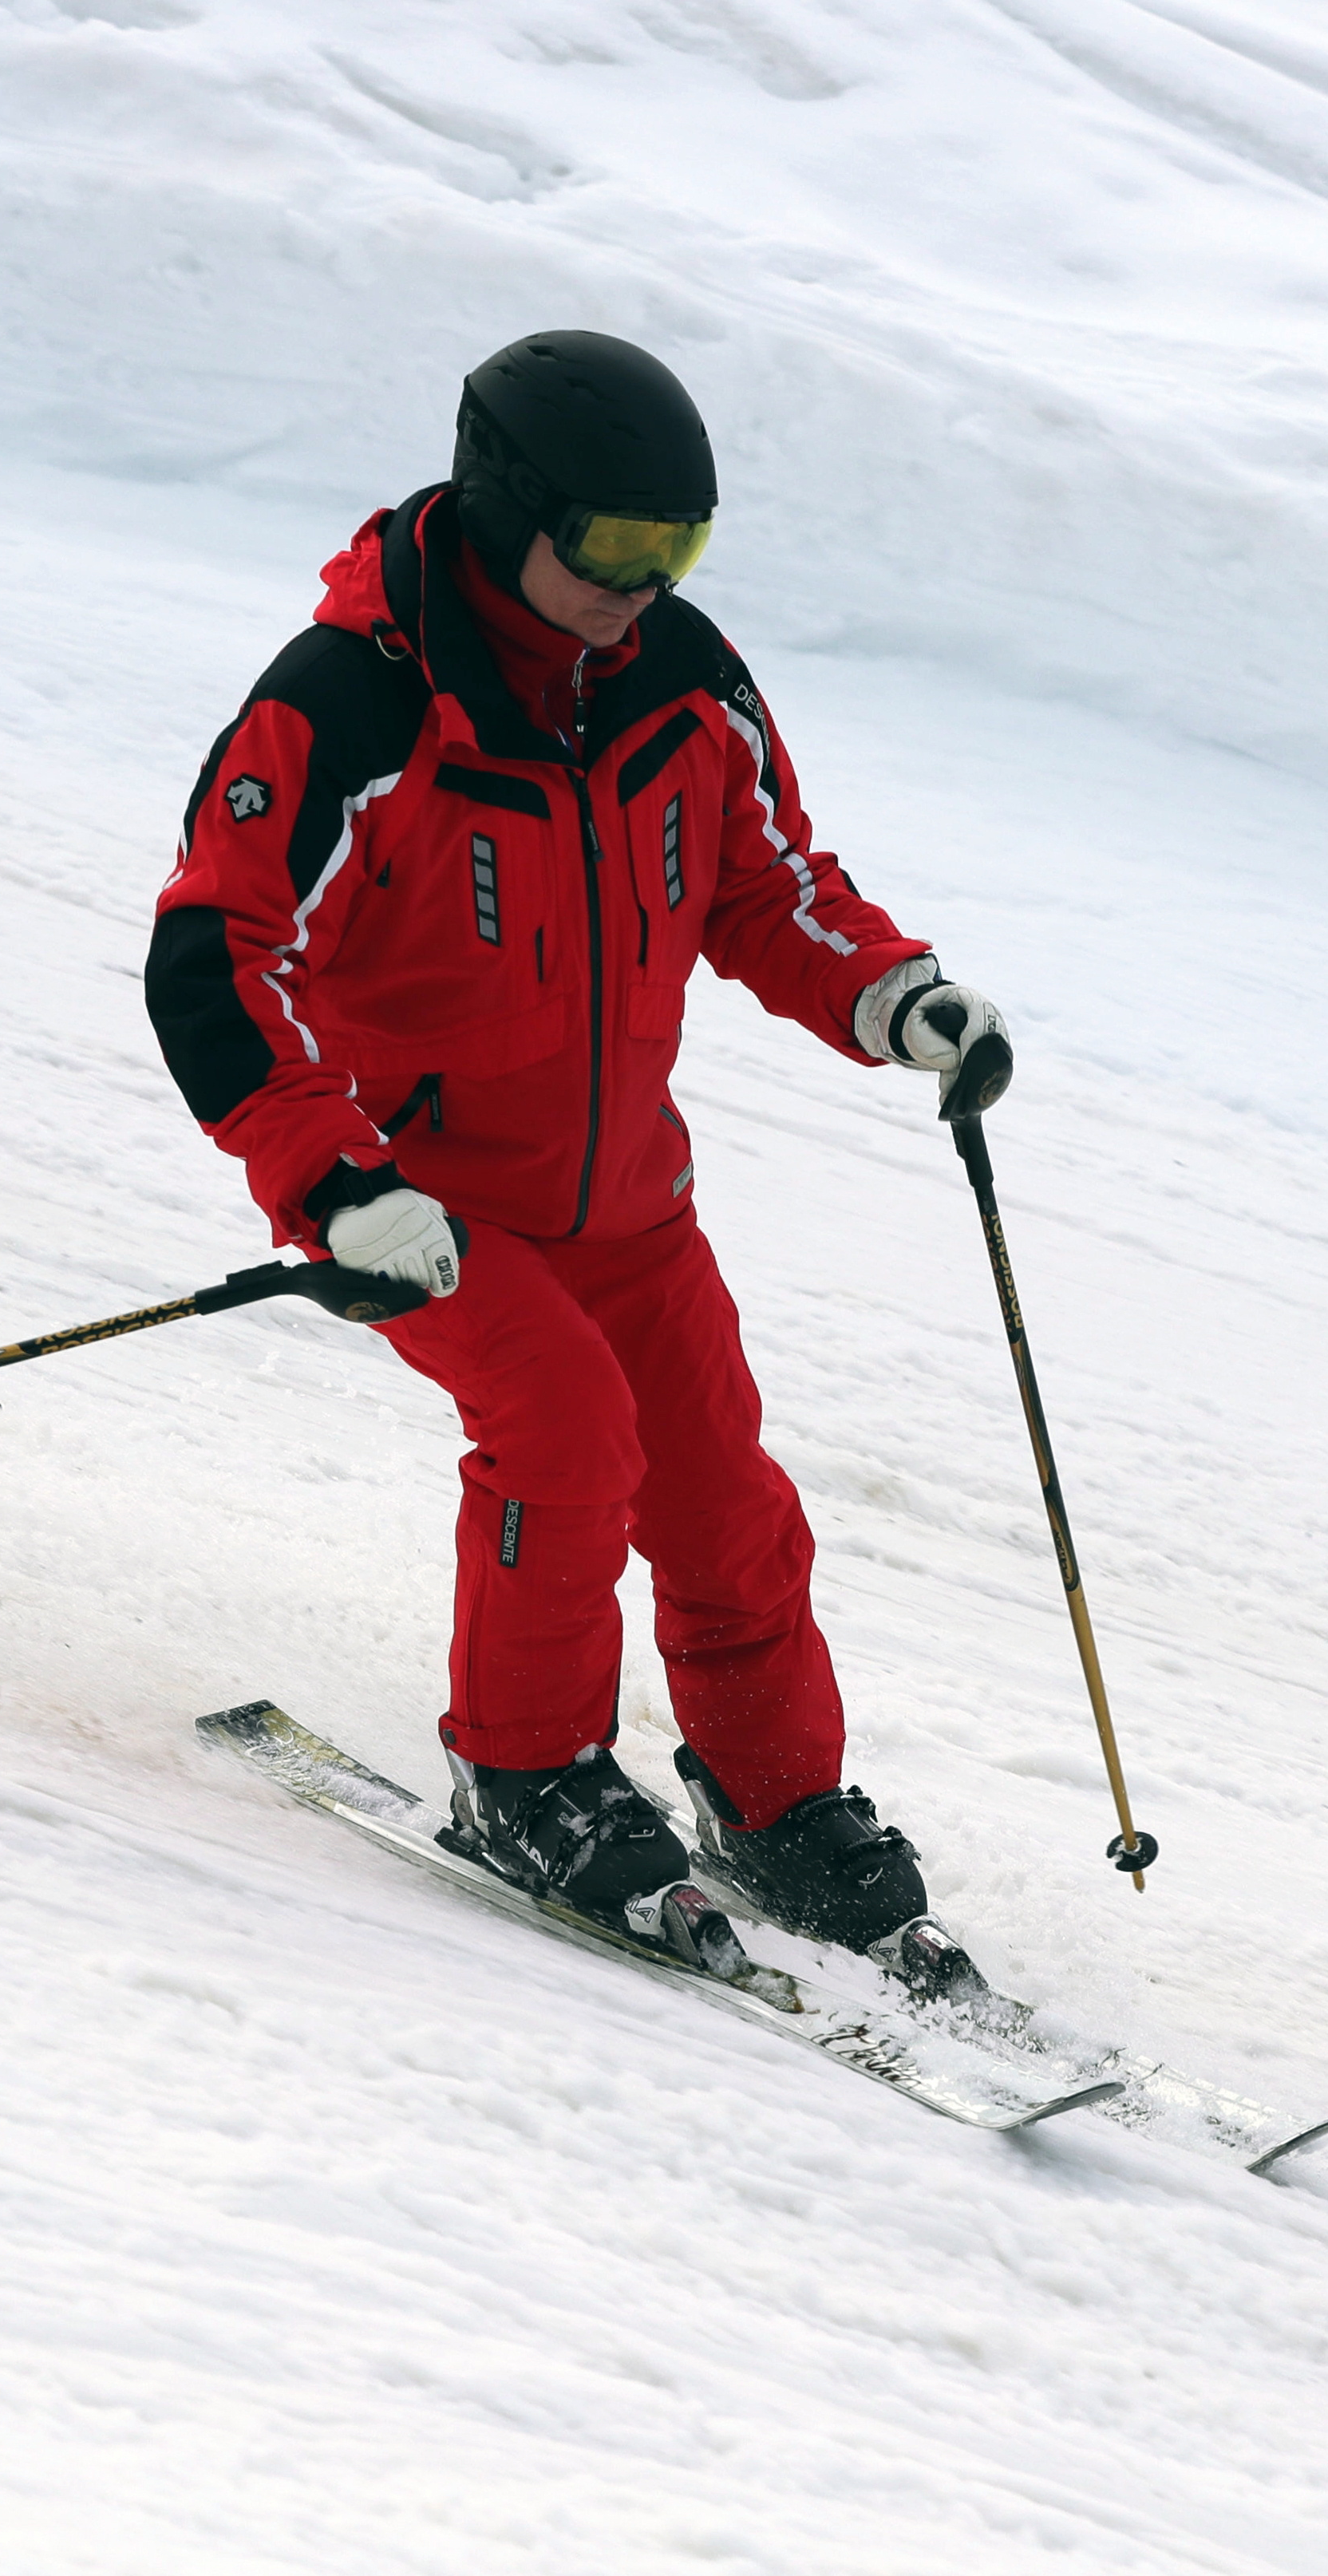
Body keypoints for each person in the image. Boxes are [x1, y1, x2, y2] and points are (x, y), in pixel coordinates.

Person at [145, 330, 1010, 1958]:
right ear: (502, 510)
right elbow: (213, 955)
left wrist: (893, 996)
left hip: (627, 1206)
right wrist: (333, 1185)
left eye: (675, 550)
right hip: (428, 1210)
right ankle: (523, 1773)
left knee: (721, 1499)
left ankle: (772, 1807)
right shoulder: (345, 704)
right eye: (613, 550)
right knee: (563, 1434)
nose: (645, 587)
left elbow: (767, 883)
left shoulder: (681, 679)